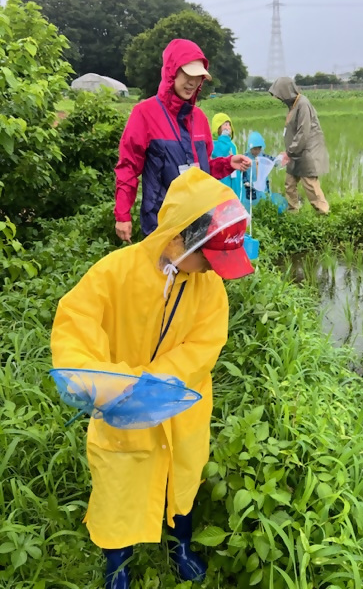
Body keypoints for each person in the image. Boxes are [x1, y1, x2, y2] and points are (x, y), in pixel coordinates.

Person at [51, 168, 254, 588]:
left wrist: (155, 384)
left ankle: (180, 545)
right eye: (207, 257)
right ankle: (117, 564)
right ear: (180, 237)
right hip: (119, 413)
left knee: (181, 479)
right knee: (118, 486)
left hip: (181, 408)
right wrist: (112, 386)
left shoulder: (208, 286)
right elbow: (75, 328)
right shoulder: (114, 274)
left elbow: (204, 346)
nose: (209, 270)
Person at [114, 39, 251, 242]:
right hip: (161, 223)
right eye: (187, 74)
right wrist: (122, 215)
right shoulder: (144, 114)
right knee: (164, 273)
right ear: (171, 71)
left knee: (196, 274)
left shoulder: (200, 119)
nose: (192, 82)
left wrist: (227, 164)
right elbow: (128, 168)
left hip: (200, 220)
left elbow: (200, 172)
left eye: (198, 77)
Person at [269, 77, 330, 214]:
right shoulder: (293, 105)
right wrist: (289, 151)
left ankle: (323, 213)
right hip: (295, 151)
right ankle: (293, 211)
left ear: (286, 91)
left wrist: (289, 152)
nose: (279, 99)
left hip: (307, 151)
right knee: (289, 183)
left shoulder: (303, 104)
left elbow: (303, 132)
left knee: (310, 184)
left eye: (280, 95)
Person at [211, 112, 242, 197]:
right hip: (223, 180)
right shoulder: (214, 144)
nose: (228, 128)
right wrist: (224, 138)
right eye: (225, 125)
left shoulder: (232, 144)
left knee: (235, 200)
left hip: (234, 179)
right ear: (217, 127)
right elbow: (220, 152)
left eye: (229, 125)